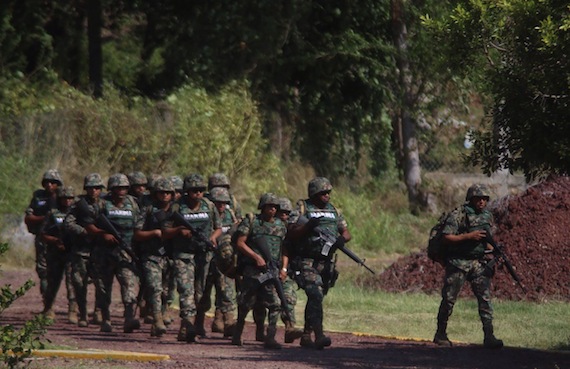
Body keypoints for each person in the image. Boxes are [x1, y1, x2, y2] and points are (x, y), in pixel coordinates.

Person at [433, 184, 504, 349]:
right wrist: (468, 236)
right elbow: (447, 237)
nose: (481, 202)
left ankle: (489, 335)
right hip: (458, 263)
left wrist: (492, 250)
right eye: (478, 198)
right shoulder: (458, 215)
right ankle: (440, 333)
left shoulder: (487, 216)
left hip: (477, 263)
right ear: (471, 199)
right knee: (449, 299)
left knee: (485, 299)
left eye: (484, 199)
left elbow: (488, 239)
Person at [288, 177, 351, 350]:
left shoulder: (334, 211)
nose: (327, 196)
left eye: (328, 193)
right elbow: (292, 231)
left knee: (316, 298)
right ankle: (319, 335)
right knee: (315, 294)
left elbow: (346, 232)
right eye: (323, 193)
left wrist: (340, 240)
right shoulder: (302, 208)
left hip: (326, 263)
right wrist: (307, 227)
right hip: (307, 260)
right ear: (314, 193)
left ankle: (307, 335)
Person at [162, 173, 221, 343]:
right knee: (185, 290)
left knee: (200, 292)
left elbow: (218, 227)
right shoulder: (176, 207)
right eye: (194, 190)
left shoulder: (209, 206)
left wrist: (213, 237)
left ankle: (195, 323)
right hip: (183, 255)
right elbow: (165, 231)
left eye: (201, 190)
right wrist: (179, 231)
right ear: (187, 191)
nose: (198, 194)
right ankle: (187, 325)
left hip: (204, 254)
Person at [85, 173, 142, 333]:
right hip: (104, 253)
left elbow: (139, 225)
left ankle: (129, 317)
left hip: (125, 252)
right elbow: (89, 225)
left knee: (129, 284)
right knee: (104, 288)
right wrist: (103, 234)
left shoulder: (133, 204)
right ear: (112, 189)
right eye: (118, 188)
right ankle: (106, 319)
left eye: (124, 188)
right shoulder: (102, 204)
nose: (121, 191)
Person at [232, 193, 286, 349]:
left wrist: (283, 268)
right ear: (262, 207)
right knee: (245, 303)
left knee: (275, 304)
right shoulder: (252, 221)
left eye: (275, 207)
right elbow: (240, 243)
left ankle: (270, 337)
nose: (273, 210)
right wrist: (256, 257)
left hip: (271, 271)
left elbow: (283, 248)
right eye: (270, 206)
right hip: (252, 271)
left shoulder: (281, 226)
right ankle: (238, 333)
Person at [134, 177, 175, 337]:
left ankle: (164, 312)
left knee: (167, 290)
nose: (164, 195)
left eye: (167, 193)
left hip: (170, 256)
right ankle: (157, 319)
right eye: (161, 192)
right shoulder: (148, 209)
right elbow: (137, 234)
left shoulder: (176, 210)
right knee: (154, 287)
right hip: (151, 255)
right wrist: (154, 233)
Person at [64, 173, 106, 327]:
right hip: (81, 250)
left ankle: (99, 311)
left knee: (101, 283)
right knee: (79, 283)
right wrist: (84, 231)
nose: (94, 191)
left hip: (100, 250)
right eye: (91, 188)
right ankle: (82, 313)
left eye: (97, 188)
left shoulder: (105, 203)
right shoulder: (78, 204)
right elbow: (68, 223)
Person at [25, 169, 63, 301]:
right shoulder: (38, 196)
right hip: (43, 237)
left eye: (53, 182)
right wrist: (45, 218)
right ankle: (47, 302)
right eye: (47, 182)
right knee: (43, 270)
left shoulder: (63, 197)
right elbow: (29, 217)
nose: (49, 185)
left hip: (60, 239)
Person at [40, 186, 76, 321]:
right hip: (55, 253)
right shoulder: (52, 213)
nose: (67, 201)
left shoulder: (77, 213)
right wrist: (56, 241)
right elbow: (43, 234)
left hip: (71, 253)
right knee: (53, 282)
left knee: (72, 282)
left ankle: (73, 310)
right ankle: (48, 308)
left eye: (70, 198)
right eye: (64, 198)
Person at [206, 186, 239, 337]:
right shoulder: (206, 214)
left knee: (227, 289)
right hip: (206, 257)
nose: (221, 206)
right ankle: (198, 323)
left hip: (224, 258)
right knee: (204, 292)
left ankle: (228, 322)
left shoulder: (229, 214)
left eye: (224, 203)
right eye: (217, 203)